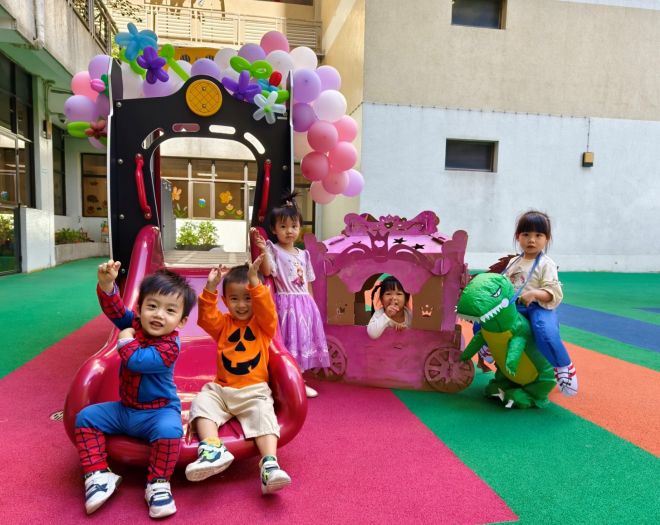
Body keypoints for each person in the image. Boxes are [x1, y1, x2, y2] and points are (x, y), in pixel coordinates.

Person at [74, 261, 196, 518]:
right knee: (86, 418)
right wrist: (108, 286)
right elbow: (117, 312)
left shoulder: (171, 346)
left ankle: (158, 483)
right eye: (152, 306)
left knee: (170, 431)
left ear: (182, 321)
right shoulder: (137, 324)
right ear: (139, 309)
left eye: (170, 310)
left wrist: (125, 339)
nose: (159, 315)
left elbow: (137, 361)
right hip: (127, 410)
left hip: (159, 411)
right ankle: (98, 474)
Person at [185, 256, 292, 494]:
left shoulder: (263, 326)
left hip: (254, 392)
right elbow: (206, 317)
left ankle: (269, 464)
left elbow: (266, 310)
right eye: (234, 299)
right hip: (222, 390)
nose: (241, 305)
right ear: (226, 301)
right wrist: (210, 288)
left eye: (248, 298)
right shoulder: (223, 325)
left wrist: (255, 283)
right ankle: (212, 449)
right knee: (202, 403)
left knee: (264, 415)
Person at [250, 193, 330, 398]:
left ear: (300, 227)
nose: (289, 231)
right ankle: (283, 383)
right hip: (286, 304)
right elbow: (267, 271)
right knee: (288, 342)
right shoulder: (274, 250)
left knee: (302, 341)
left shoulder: (304, 254)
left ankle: (298, 381)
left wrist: (312, 305)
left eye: (294, 226)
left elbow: (308, 281)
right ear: (274, 229)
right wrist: (263, 250)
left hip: (304, 304)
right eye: (283, 226)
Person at [501, 210, 578, 396]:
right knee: (488, 318)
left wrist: (535, 293)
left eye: (538, 235)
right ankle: (486, 348)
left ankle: (563, 367)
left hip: (539, 307)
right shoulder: (514, 262)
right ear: (517, 236)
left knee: (545, 331)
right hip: (516, 305)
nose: (531, 240)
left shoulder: (546, 264)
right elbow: (503, 284)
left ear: (547, 238)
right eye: (526, 234)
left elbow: (553, 293)